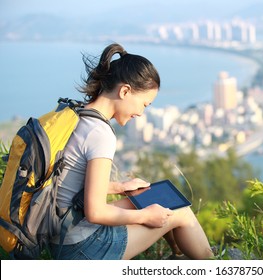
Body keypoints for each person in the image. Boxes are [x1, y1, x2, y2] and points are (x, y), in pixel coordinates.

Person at [49, 43, 214, 260]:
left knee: (151, 198)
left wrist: (119, 187)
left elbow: (66, 183)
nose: (141, 113)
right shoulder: (101, 134)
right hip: (81, 248)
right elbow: (96, 212)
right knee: (180, 212)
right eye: (144, 104)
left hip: (60, 236)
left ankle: (179, 255)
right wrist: (146, 216)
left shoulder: (77, 115)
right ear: (125, 91)